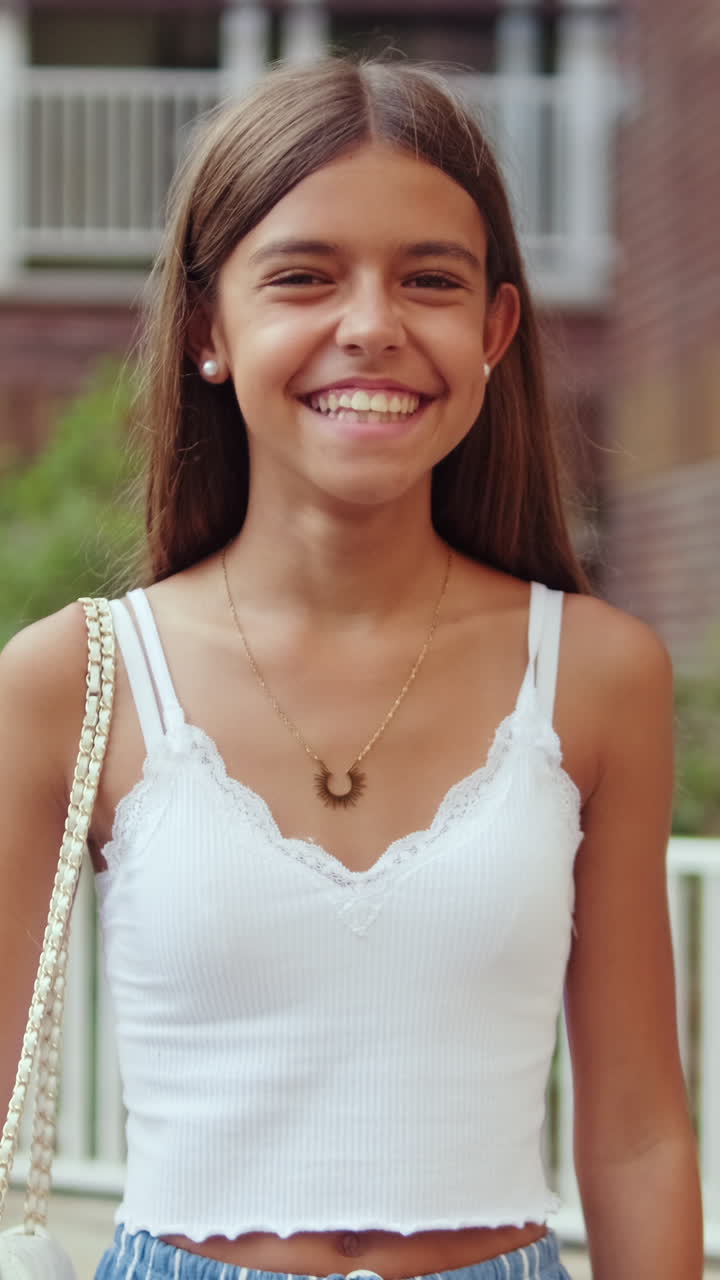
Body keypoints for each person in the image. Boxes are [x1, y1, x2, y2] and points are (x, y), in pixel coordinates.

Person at [0, 56, 703, 1280]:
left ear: (494, 330)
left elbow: (639, 1131)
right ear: (211, 327)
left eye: (429, 279)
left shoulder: (596, 673)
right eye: (305, 276)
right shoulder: (74, 677)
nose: (371, 323)